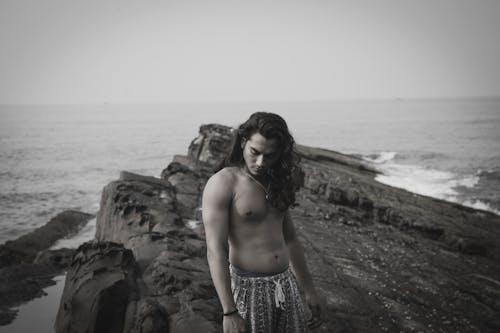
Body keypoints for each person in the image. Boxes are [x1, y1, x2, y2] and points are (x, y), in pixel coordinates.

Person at [202, 112, 324, 333]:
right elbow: (215, 250)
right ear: (242, 143)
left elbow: (291, 240)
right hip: (249, 290)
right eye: (254, 152)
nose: (260, 162)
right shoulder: (223, 183)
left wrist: (309, 290)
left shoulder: (277, 180)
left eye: (270, 156)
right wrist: (229, 312)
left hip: (286, 284)